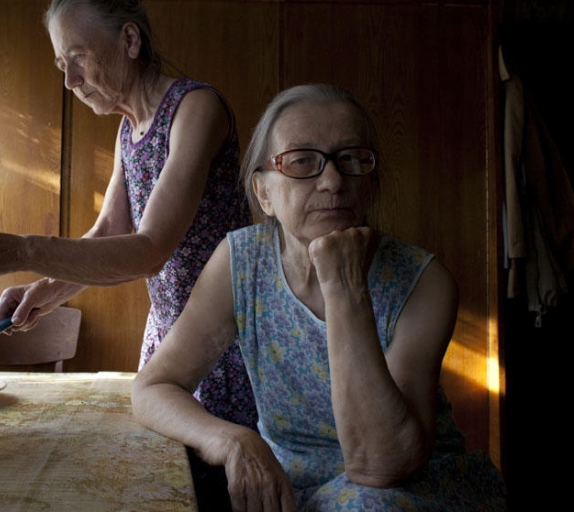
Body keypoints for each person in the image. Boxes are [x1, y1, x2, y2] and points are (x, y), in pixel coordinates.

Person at [0, 0, 257, 500]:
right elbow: (109, 232)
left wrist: (14, 249)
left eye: (78, 57)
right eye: (60, 65)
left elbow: (149, 250)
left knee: (219, 490)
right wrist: (44, 291)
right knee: (169, 491)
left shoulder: (195, 109)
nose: (70, 81)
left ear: (129, 40)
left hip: (224, 342)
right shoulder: (128, 130)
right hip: (168, 339)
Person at [131, 83, 508, 511]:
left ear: (370, 185)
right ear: (263, 193)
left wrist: (343, 287)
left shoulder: (422, 281)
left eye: (351, 160)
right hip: (292, 491)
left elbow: (382, 467)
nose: (332, 181)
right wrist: (232, 439)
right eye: (302, 161)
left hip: (406, 493)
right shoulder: (242, 261)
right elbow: (154, 387)